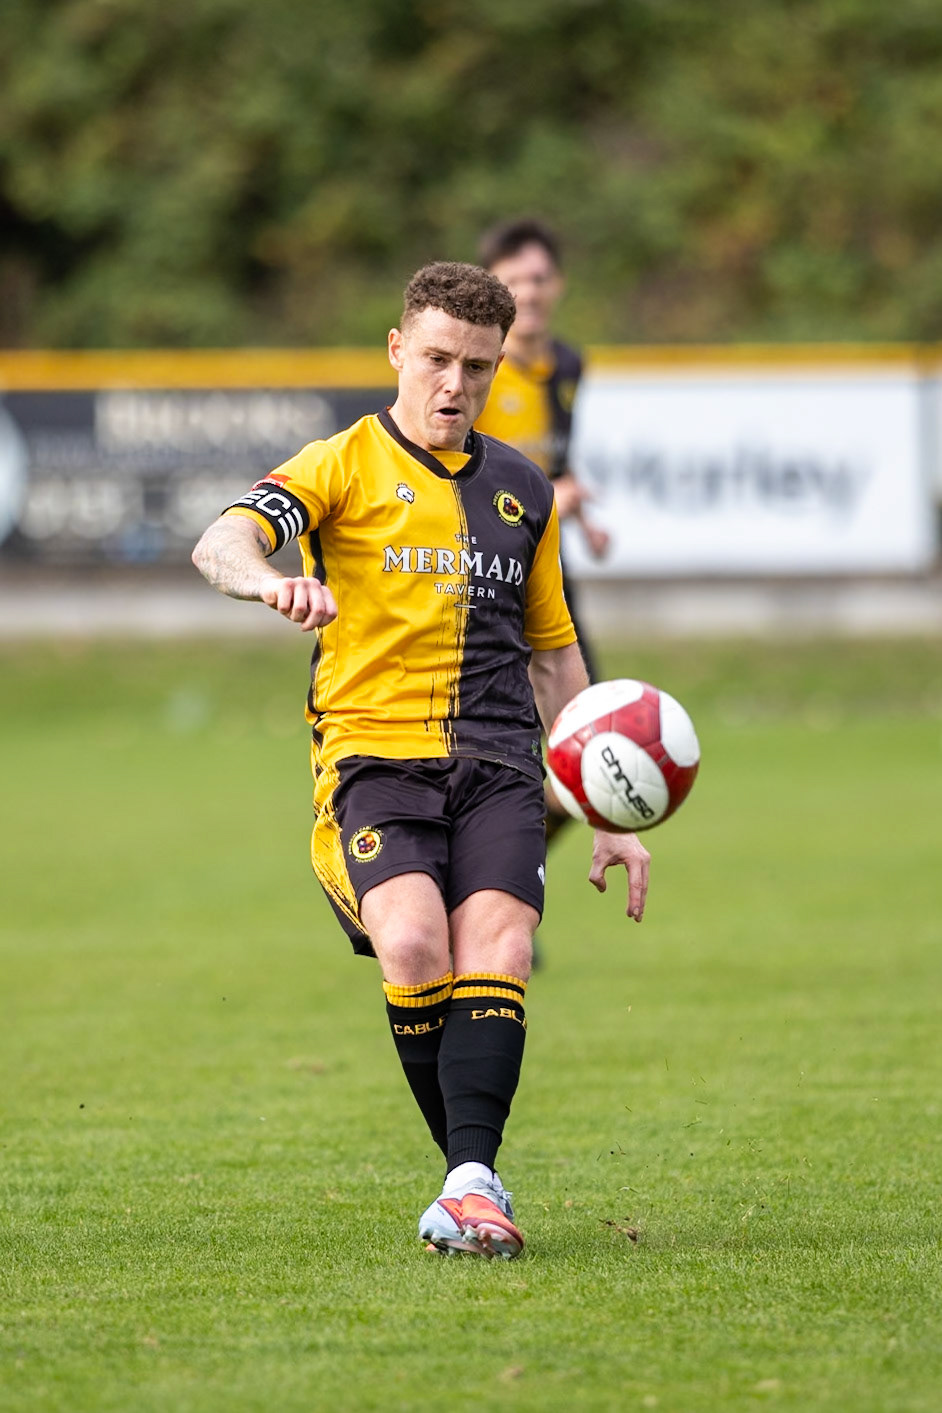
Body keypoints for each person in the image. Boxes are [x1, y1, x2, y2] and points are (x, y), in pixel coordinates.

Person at [191, 261, 650, 1261]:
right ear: (399, 349)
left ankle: (470, 1184)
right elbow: (218, 544)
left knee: (504, 950)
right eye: (437, 359)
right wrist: (268, 584)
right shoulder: (340, 465)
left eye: (476, 368)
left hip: (497, 762)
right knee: (411, 947)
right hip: (373, 760)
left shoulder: (523, 491)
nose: (455, 385)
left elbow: (556, 659)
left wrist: (605, 804)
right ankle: (474, 1174)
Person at [476, 220, 609, 873]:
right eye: (515, 278)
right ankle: (489, 886)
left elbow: (550, 471)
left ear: (557, 284)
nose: (529, 290)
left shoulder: (570, 365)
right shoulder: (473, 371)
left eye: (538, 277)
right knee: (503, 754)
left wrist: (581, 517)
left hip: (548, 578)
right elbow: (471, 483)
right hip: (483, 584)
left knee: (585, 750)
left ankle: (505, 879)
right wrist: (556, 497)